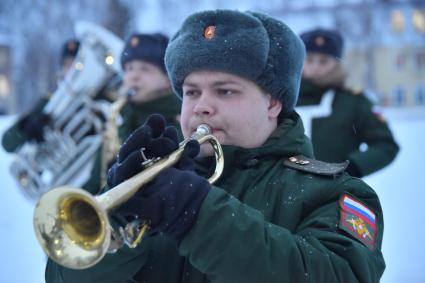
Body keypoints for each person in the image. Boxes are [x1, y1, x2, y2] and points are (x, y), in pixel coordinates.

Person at [45, 10, 385, 282]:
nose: (200, 106)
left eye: (225, 91)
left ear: (273, 104)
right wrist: (119, 217)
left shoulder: (337, 194)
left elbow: (339, 275)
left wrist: (198, 215)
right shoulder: (159, 185)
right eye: (192, 92)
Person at [81, 33, 182, 194]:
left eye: (145, 69)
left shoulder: (179, 123)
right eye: (129, 68)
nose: (133, 76)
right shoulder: (119, 117)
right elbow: (95, 181)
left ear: (167, 79)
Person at [296, 28, 399, 178]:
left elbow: (386, 145)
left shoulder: (354, 102)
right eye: (310, 59)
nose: (315, 66)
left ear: (336, 63)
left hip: (334, 194)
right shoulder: (283, 99)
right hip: (284, 194)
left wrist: (353, 168)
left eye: (323, 61)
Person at [1, 38, 81, 152]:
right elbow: (7, 143)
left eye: (76, 63)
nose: (72, 69)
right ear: (62, 69)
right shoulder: (48, 102)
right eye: (67, 64)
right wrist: (26, 126)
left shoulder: (101, 105)